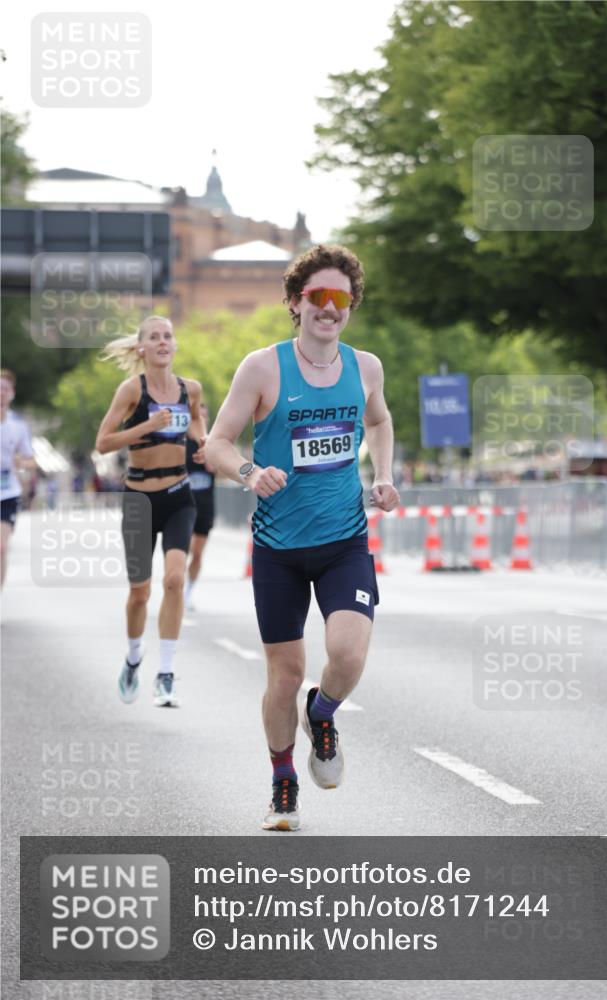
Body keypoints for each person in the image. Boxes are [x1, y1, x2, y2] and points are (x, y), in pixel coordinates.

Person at [206, 244, 400, 831]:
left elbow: (380, 419)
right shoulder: (263, 368)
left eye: (341, 298)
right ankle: (283, 783)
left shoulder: (365, 367)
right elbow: (216, 442)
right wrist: (248, 471)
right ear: (296, 302)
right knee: (283, 676)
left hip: (344, 540)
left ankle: (324, 711)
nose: (330, 307)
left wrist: (384, 475)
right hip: (278, 550)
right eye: (318, 296)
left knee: (347, 654)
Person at [95, 316, 206, 707]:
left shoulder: (189, 389)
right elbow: (104, 442)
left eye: (168, 336)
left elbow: (197, 426)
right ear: (142, 348)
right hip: (138, 499)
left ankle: (166, 673)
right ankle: (134, 656)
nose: (162, 342)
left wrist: (205, 441)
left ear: (175, 345)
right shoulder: (131, 390)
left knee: (174, 580)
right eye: (154, 337)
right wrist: (147, 425)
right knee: (139, 593)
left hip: (178, 494)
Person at [1, 369, 36, 589]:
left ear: (12, 393)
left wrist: (21, 463)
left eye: (5, 389)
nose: (1, 394)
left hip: (7, 492)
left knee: (1, 548)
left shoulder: (18, 426)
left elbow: (32, 461)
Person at [184, 402, 216, 611]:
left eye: (205, 417)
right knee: (181, 550)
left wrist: (207, 448)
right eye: (198, 417)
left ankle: (188, 591)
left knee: (197, 553)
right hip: (184, 505)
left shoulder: (212, 443)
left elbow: (214, 468)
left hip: (205, 504)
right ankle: (175, 587)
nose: (201, 421)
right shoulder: (181, 443)